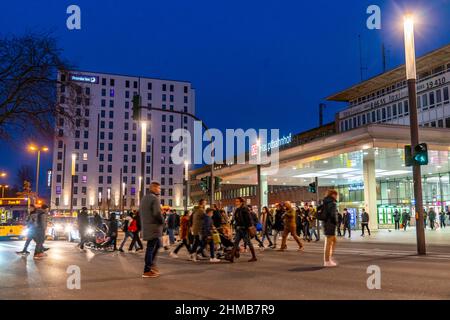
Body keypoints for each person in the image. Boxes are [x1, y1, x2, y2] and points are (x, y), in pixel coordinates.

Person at [140, 182, 164, 278]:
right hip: (153, 227)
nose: (160, 190)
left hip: (147, 226)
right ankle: (147, 270)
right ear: (153, 188)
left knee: (157, 245)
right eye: (158, 188)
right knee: (150, 248)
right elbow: (157, 213)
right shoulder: (155, 199)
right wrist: (162, 222)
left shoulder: (144, 198)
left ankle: (151, 266)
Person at [229, 197, 257, 263]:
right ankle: (231, 257)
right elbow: (236, 219)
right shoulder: (237, 209)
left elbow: (249, 219)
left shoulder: (244, 209)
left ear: (241, 202)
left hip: (244, 229)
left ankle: (254, 257)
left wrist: (249, 227)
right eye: (235, 201)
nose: (236, 202)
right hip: (239, 229)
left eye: (237, 201)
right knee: (236, 243)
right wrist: (235, 225)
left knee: (248, 243)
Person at [322, 190, 338, 267]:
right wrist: (336, 222)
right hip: (330, 224)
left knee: (334, 241)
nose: (337, 196)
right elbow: (333, 215)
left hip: (326, 224)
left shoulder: (325, 202)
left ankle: (329, 257)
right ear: (333, 195)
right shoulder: (332, 203)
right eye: (336, 195)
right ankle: (327, 261)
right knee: (328, 243)